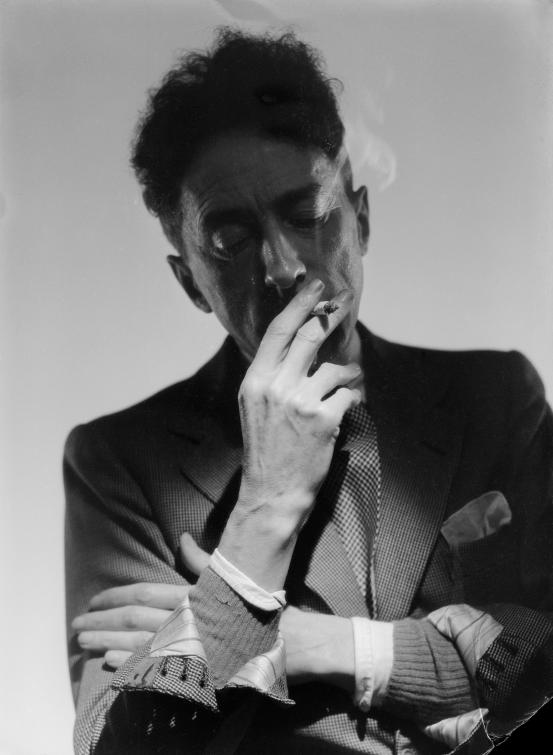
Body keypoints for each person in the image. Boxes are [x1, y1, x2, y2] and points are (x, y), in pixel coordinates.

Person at [65, 28, 553, 754]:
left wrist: (290, 640)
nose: (283, 266)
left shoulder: (496, 394)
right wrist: (263, 514)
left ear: (361, 217)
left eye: (307, 215)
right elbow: (124, 747)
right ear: (190, 281)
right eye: (230, 240)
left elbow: (544, 665)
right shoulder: (119, 462)